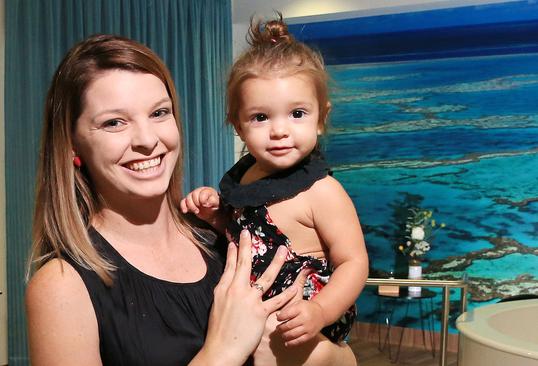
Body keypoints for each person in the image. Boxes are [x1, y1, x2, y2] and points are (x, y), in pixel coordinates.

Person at [24, 34, 304, 366]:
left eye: (159, 113)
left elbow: (338, 358)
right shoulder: (61, 287)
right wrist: (223, 351)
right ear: (72, 145)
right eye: (114, 122)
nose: (147, 140)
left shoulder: (223, 238)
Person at [181, 15, 369, 366]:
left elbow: (354, 261)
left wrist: (320, 311)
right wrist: (216, 216)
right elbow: (248, 239)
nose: (279, 130)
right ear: (238, 124)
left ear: (321, 117)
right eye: (261, 117)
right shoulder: (245, 178)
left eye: (297, 113)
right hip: (251, 319)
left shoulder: (322, 191)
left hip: (304, 319)